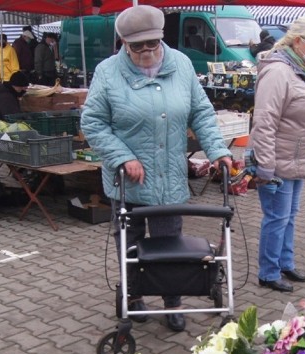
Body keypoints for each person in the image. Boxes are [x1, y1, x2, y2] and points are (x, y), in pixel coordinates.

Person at [81, 5, 232, 333]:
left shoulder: (180, 63)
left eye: (153, 43)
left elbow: (201, 112)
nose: (148, 52)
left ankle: (172, 301)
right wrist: (122, 157)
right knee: (130, 244)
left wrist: (218, 150)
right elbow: (92, 122)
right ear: (123, 43)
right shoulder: (108, 73)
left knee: (169, 243)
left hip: (168, 179)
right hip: (128, 180)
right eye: (138, 46)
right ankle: (133, 297)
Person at [250, 17, 305, 293]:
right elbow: (265, 120)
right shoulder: (278, 71)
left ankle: (284, 262)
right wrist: (266, 165)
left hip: (296, 159)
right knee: (277, 217)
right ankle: (268, 272)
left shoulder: (301, 68)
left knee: (289, 215)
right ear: (298, 41)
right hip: (280, 161)